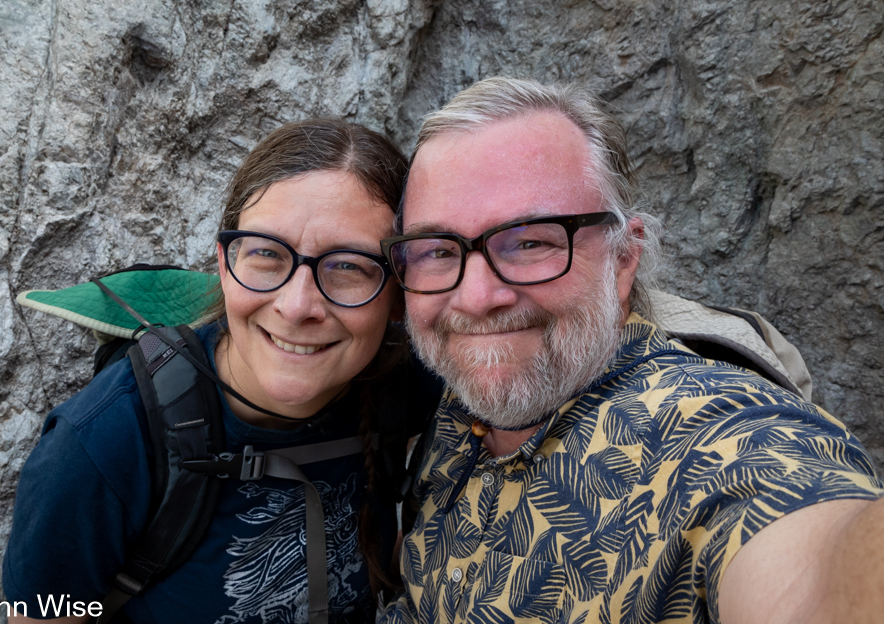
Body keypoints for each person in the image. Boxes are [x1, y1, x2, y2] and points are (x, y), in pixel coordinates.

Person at [378, 77, 884, 624]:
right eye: (435, 250)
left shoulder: (708, 436)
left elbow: (810, 556)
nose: (475, 299)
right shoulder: (452, 402)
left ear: (623, 259)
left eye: (531, 242)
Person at [3, 119, 437, 624]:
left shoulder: (409, 385)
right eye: (266, 254)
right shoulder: (100, 444)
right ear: (224, 264)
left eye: (348, 266)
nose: (297, 307)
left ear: (400, 295)